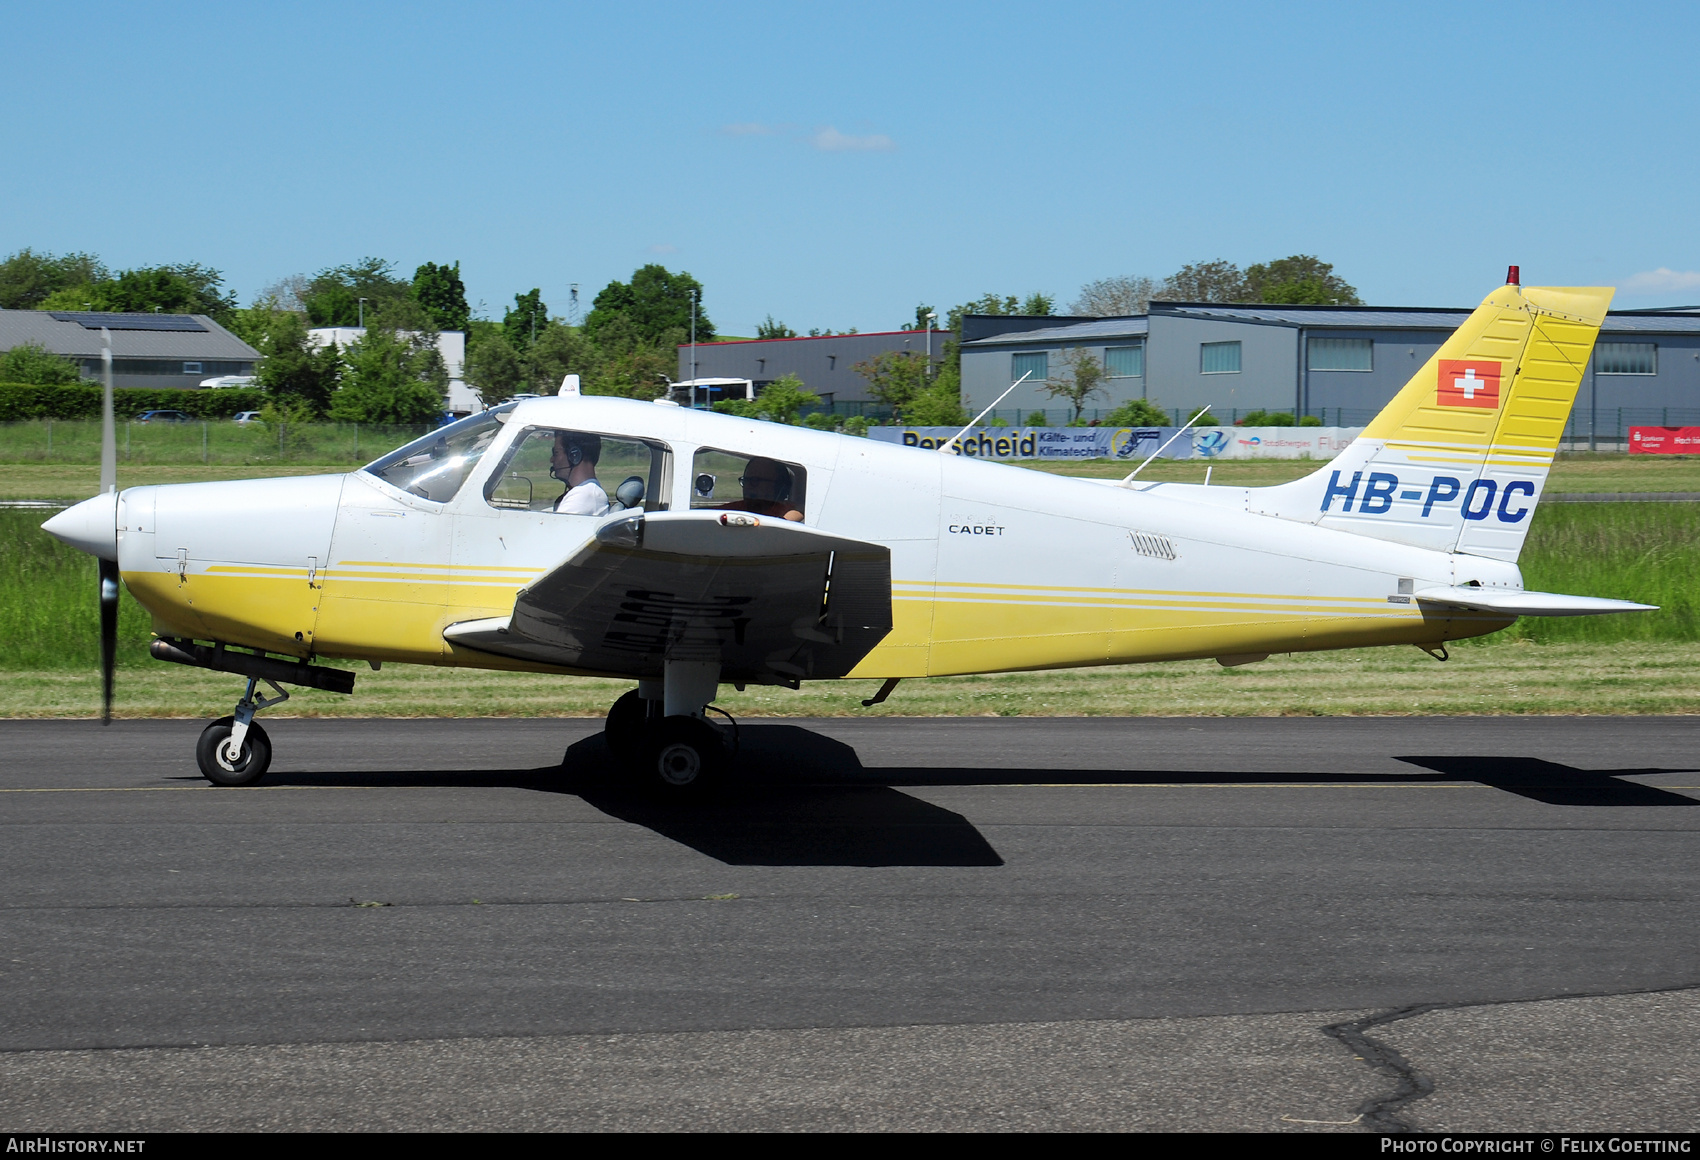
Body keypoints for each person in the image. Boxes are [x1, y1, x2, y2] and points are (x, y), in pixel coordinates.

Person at [725, 456, 803, 521]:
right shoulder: (740, 507)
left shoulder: (787, 511)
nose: (747, 487)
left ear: (777, 486)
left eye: (754, 481)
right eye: (746, 481)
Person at [550, 431, 610, 515]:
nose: (551, 460)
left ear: (574, 455)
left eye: (556, 453)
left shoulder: (582, 497)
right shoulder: (586, 492)